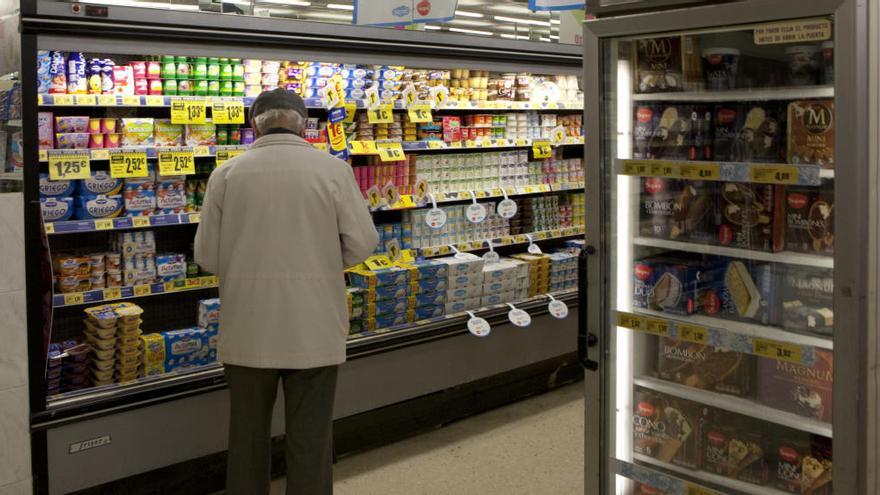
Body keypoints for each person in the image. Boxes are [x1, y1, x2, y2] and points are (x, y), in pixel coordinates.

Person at [194, 88, 379, 495]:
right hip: (313, 325)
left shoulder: (227, 174)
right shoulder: (332, 171)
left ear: (252, 125)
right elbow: (364, 244)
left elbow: (206, 255)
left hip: (247, 328)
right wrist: (321, 260)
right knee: (311, 437)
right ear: (304, 125)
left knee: (246, 437)